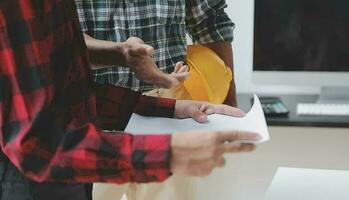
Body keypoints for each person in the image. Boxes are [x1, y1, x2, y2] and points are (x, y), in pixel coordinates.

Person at [0, 1, 259, 200]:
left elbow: (68, 87)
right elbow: (35, 143)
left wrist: (172, 108)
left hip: (124, 111)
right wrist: (168, 153)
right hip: (63, 151)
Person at [74, 0, 237, 106]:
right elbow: (60, 36)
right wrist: (121, 54)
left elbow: (209, 21)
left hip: (174, 106)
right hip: (92, 109)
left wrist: (228, 103)